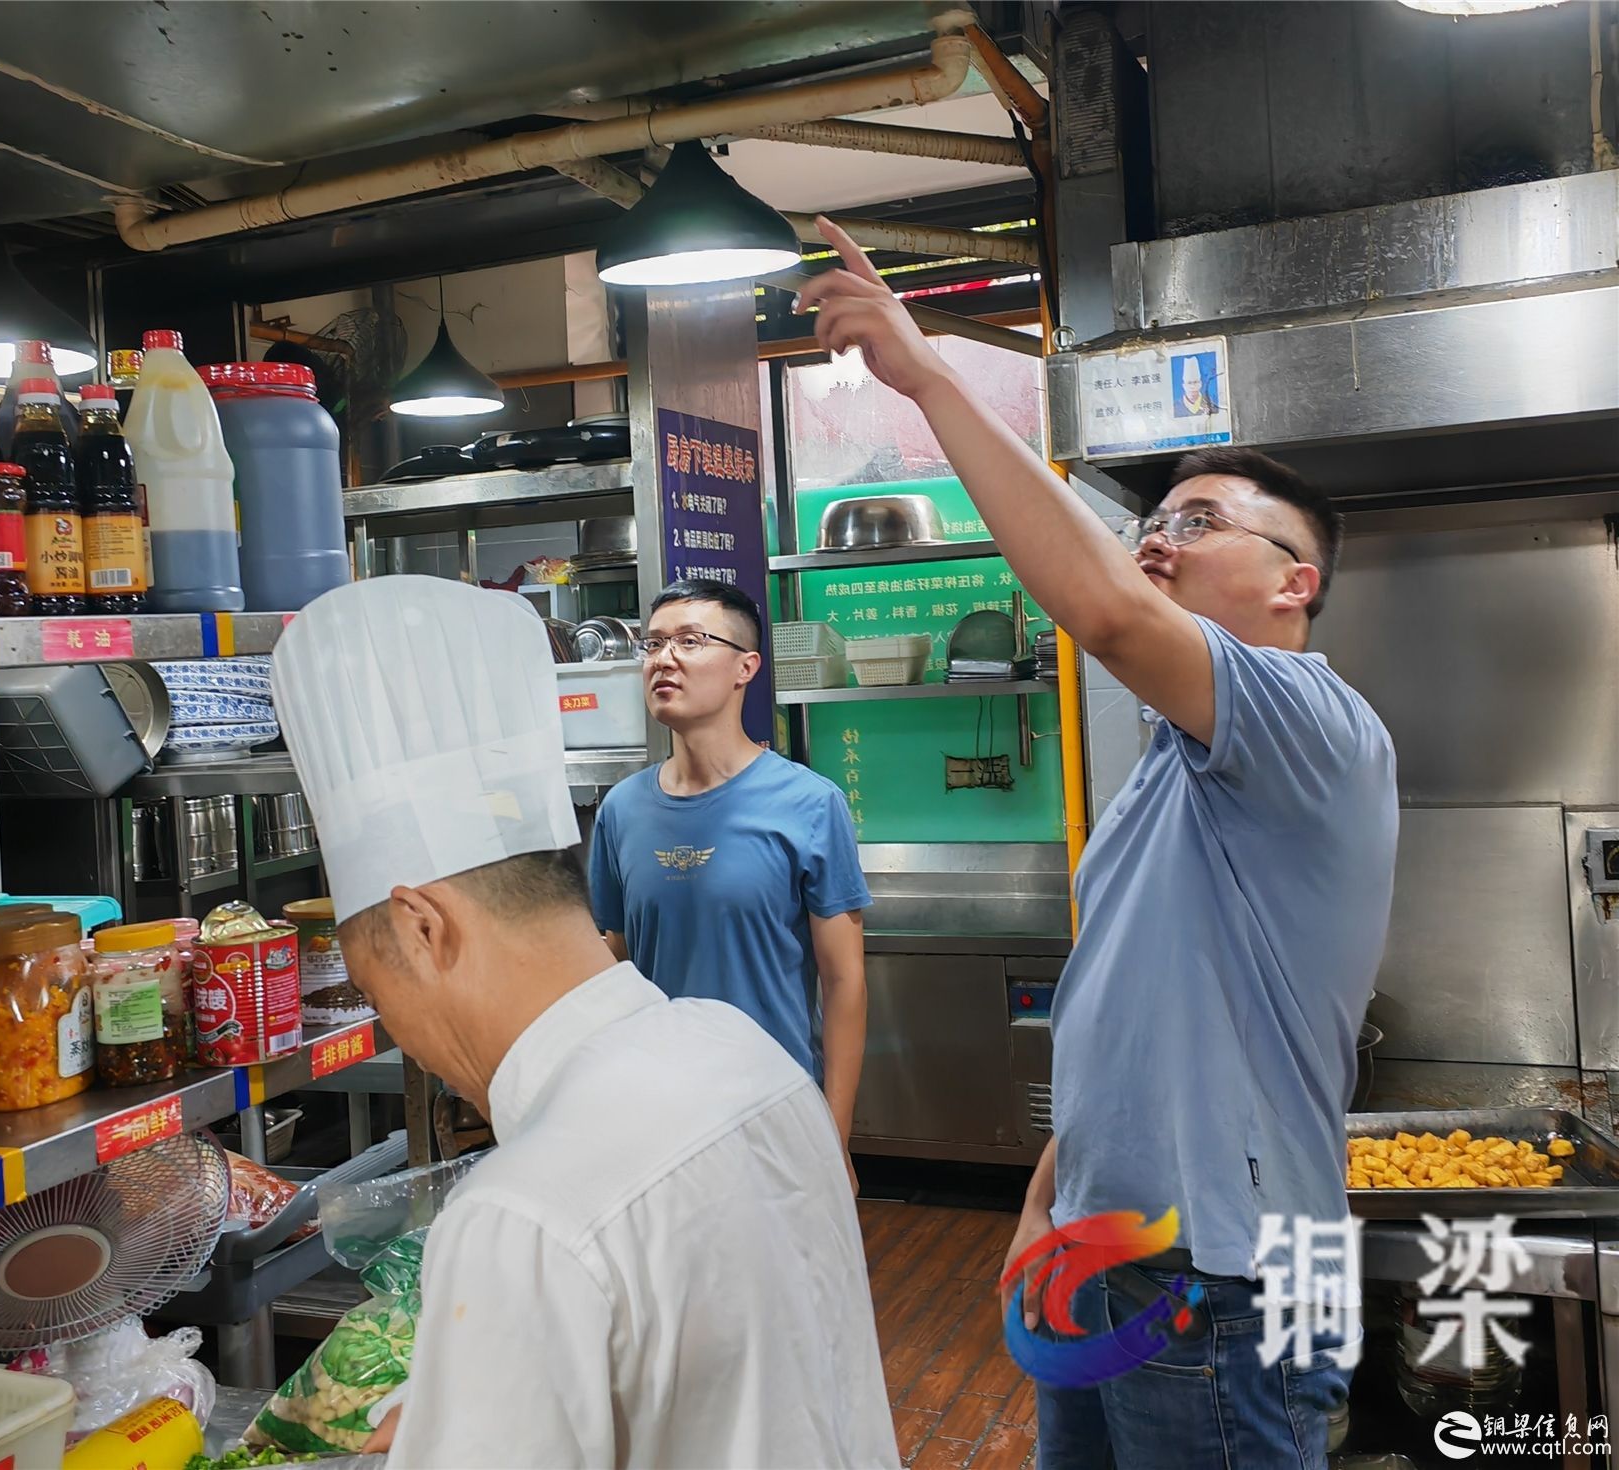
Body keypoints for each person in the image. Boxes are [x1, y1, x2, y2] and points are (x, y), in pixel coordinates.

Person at [800, 219, 1398, 1469]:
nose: (1158, 540)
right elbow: (1128, 1011)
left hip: (1222, 1270)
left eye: (1201, 522)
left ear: (1297, 583)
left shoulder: (1316, 722)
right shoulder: (1162, 773)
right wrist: (1043, 1206)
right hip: (1107, 1246)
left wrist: (926, 376)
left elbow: (1108, 613)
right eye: (1155, 520)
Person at [271, 575, 896, 1470]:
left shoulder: (517, 1219)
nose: (395, 1029)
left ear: (421, 927)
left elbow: (842, 975)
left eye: (376, 995)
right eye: (654, 640)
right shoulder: (750, 1061)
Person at [588, 577, 872, 1172]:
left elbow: (843, 983)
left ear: (745, 667)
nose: (664, 658)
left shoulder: (809, 803)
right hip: (658, 1114)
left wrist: (834, 1136)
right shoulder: (621, 810)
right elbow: (612, 959)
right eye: (654, 643)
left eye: (690, 641)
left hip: (774, 1107)